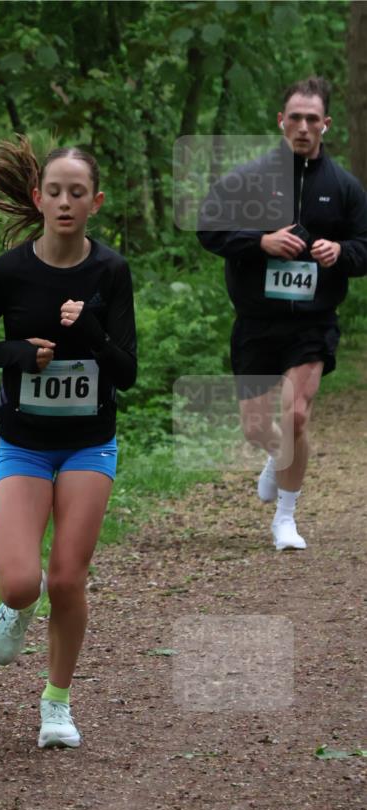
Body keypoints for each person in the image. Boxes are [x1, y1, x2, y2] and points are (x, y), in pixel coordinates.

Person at [0, 136, 137, 748]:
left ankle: (56, 703)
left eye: (76, 193)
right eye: (54, 191)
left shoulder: (110, 270)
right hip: (25, 445)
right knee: (20, 583)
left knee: (65, 579)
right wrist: (20, 355)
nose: (64, 202)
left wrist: (90, 332)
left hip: (89, 443)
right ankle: (14, 611)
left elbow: (127, 371)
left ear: (95, 202)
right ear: (37, 197)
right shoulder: (12, 271)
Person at [197, 76, 367, 551]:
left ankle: (285, 519)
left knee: (295, 415)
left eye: (313, 119)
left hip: (313, 322)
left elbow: (365, 246)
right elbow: (208, 229)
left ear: (326, 125)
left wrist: (343, 252)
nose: (304, 126)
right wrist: (260, 242)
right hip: (256, 321)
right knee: (256, 426)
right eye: (295, 117)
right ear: (281, 121)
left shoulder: (344, 187)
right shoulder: (247, 179)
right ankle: (277, 455)